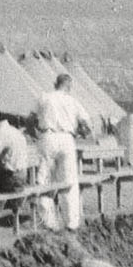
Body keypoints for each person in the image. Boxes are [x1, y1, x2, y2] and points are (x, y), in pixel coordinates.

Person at [34, 74, 91, 230]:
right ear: (69, 86)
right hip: (67, 138)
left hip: (48, 136)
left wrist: (36, 132)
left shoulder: (44, 97)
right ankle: (71, 223)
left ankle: (48, 223)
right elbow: (86, 126)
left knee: (44, 179)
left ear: (55, 84)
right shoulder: (73, 101)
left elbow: (31, 119)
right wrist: (79, 131)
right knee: (69, 181)